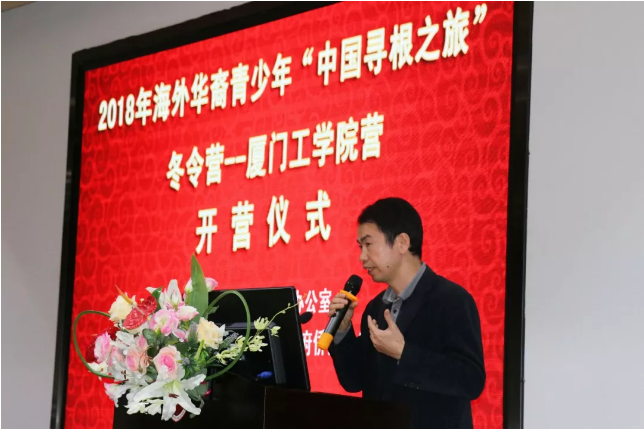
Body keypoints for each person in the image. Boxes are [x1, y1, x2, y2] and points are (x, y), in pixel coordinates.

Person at [328, 197, 486, 429]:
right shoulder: (375, 307)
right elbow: (354, 381)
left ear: (402, 243)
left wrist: (404, 353)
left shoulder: (452, 300)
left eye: (368, 244)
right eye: (360, 247)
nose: (362, 257)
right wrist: (342, 331)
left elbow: (471, 380)